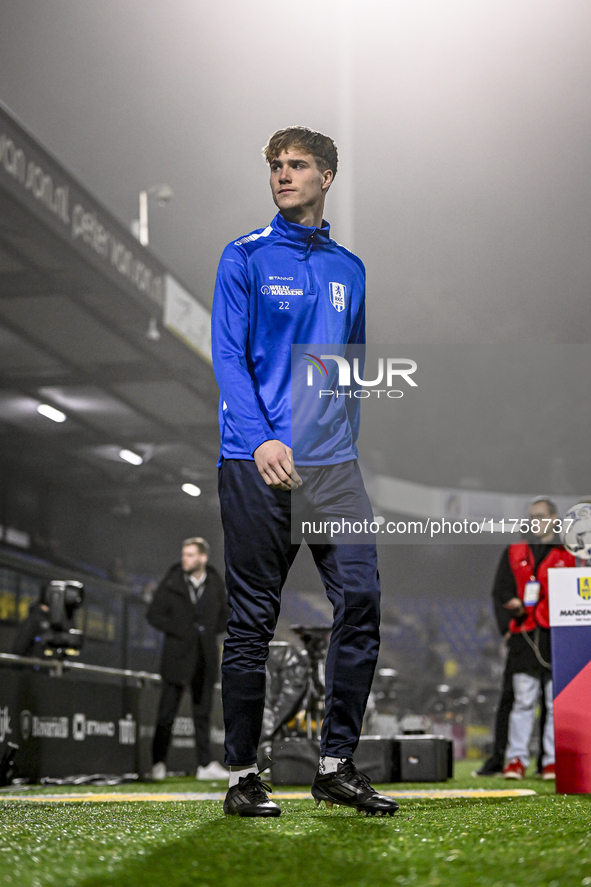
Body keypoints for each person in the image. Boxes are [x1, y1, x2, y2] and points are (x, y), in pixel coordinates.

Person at [212, 126, 399, 817]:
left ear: (326, 176)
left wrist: (344, 443)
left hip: (332, 469)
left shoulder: (351, 267)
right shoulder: (244, 256)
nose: (282, 175)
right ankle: (240, 776)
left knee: (363, 599)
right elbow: (228, 358)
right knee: (254, 620)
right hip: (255, 461)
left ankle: (334, 764)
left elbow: (350, 368)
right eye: (275, 166)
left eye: (296, 165)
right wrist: (261, 439)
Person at [490, 497, 574, 780]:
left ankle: (551, 761)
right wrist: (508, 617)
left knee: (554, 702)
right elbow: (499, 591)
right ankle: (516, 760)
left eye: (540, 515)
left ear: (554, 517)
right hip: (524, 634)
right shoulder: (515, 550)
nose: (535, 520)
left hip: (557, 634)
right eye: (532, 516)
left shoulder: (570, 551)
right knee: (523, 701)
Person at [146, 537, 230, 781]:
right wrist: (182, 629)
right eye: (184, 554)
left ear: (203, 558)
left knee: (202, 715)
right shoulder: (172, 581)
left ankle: (204, 765)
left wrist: (208, 629)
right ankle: (158, 763)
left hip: (204, 658)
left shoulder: (214, 582)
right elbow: (153, 614)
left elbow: (226, 614)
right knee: (165, 715)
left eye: (191, 555)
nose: (185, 559)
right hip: (176, 657)